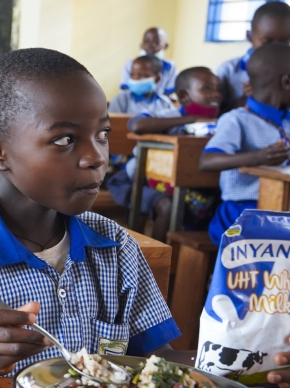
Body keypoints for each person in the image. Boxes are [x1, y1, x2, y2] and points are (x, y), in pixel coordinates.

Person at [0, 47, 196, 379]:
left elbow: (159, 361)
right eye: (65, 139)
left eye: (102, 135)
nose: (95, 157)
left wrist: (246, 361)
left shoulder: (116, 246)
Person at [106, 67, 222, 242]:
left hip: (190, 185)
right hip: (140, 181)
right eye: (207, 88)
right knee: (168, 205)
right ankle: (157, 259)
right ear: (184, 96)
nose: (216, 94)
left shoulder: (222, 122)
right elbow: (137, 125)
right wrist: (191, 119)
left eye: (218, 89)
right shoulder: (169, 114)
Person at [201, 42, 290, 245]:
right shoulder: (237, 120)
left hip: (282, 209)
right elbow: (206, 161)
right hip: (242, 212)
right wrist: (257, 157)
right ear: (286, 82)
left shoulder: (286, 119)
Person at [216, 1, 290, 111]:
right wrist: (246, 99)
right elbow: (215, 117)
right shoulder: (229, 71)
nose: (274, 49)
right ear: (250, 36)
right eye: (267, 42)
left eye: (284, 42)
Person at [108, 55, 174, 116]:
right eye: (132, 75)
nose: (136, 79)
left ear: (157, 79)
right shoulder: (122, 99)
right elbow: (112, 123)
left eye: (142, 75)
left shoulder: (164, 103)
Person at [120, 27, 177, 96]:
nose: (151, 44)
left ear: (165, 46)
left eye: (156, 41)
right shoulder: (130, 64)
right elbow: (125, 88)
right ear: (141, 45)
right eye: (146, 40)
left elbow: (169, 90)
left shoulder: (169, 66)